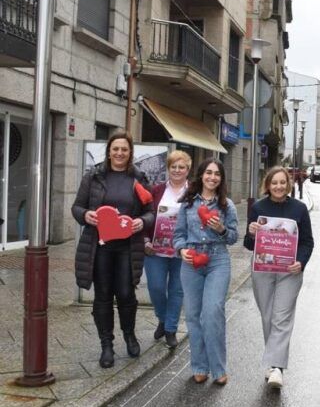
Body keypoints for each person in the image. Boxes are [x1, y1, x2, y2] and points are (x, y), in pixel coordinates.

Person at [72, 130, 154, 368]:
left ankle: (129, 335)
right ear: (109, 151)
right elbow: (77, 207)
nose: (119, 153)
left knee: (127, 294)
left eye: (124, 149)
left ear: (130, 153)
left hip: (128, 247)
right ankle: (106, 344)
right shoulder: (94, 177)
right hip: (100, 248)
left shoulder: (139, 178)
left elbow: (151, 211)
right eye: (115, 149)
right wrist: (86, 215)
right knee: (103, 295)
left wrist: (143, 221)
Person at [244, 166, 314, 390]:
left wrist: (301, 262)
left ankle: (276, 367)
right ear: (268, 185)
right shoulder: (258, 207)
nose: (278, 186)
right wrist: (251, 233)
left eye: (283, 182)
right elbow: (248, 245)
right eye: (274, 183)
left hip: (289, 271)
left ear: (288, 184)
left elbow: (307, 241)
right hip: (263, 269)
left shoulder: (299, 209)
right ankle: (273, 361)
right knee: (267, 316)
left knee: (281, 317)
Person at [173, 159, 239, 386]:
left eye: (217, 174)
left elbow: (233, 237)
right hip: (191, 260)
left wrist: (221, 229)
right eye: (208, 173)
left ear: (221, 178)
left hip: (217, 260)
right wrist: (181, 250)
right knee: (193, 315)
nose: (212, 177)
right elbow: (178, 234)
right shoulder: (188, 203)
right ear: (201, 175)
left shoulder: (226, 205)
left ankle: (219, 368)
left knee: (212, 312)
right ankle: (200, 366)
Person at [143, 150, 191, 349]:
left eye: (182, 167)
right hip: (156, 251)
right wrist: (145, 240)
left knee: (177, 290)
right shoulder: (156, 191)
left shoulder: (194, 193)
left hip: (183, 251)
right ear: (168, 168)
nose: (177, 170)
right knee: (155, 287)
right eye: (174, 167)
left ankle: (170, 328)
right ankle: (162, 318)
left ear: (188, 170)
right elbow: (145, 216)